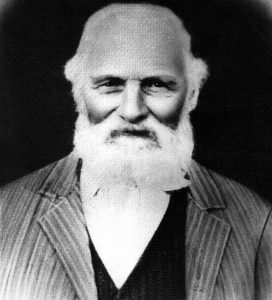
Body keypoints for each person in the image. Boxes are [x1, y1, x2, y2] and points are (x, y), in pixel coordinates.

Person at [1, 2, 272, 300]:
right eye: (109, 84)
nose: (132, 111)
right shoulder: (5, 215)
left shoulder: (256, 223)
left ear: (192, 94)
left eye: (157, 84)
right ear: (78, 92)